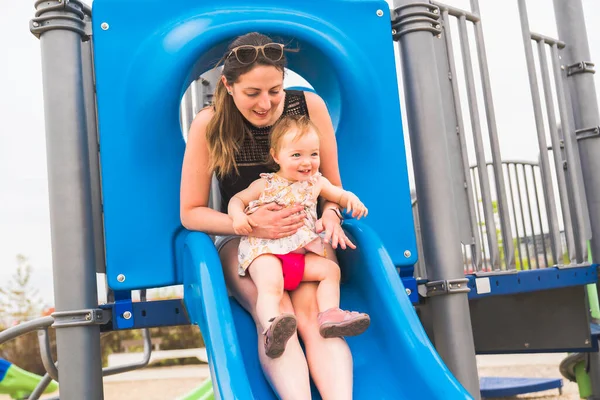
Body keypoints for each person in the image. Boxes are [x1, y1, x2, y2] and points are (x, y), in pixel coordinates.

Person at [180, 32, 355, 399]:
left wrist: (333, 216)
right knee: (277, 313)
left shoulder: (309, 107)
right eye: (252, 93)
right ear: (228, 85)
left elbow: (331, 189)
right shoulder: (210, 123)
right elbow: (191, 213)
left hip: (303, 236)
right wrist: (249, 223)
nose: (266, 103)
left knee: (313, 315)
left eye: (274, 90)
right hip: (244, 237)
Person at [228, 115, 370, 359]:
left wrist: (352, 201)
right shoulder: (266, 185)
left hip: (298, 258)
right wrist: (239, 218)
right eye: (296, 155)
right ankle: (271, 326)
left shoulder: (316, 182)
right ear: (276, 156)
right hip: (266, 252)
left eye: (313, 154)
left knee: (330, 271)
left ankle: (329, 314)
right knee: (270, 286)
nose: (307, 162)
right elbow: (237, 200)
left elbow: (339, 194)